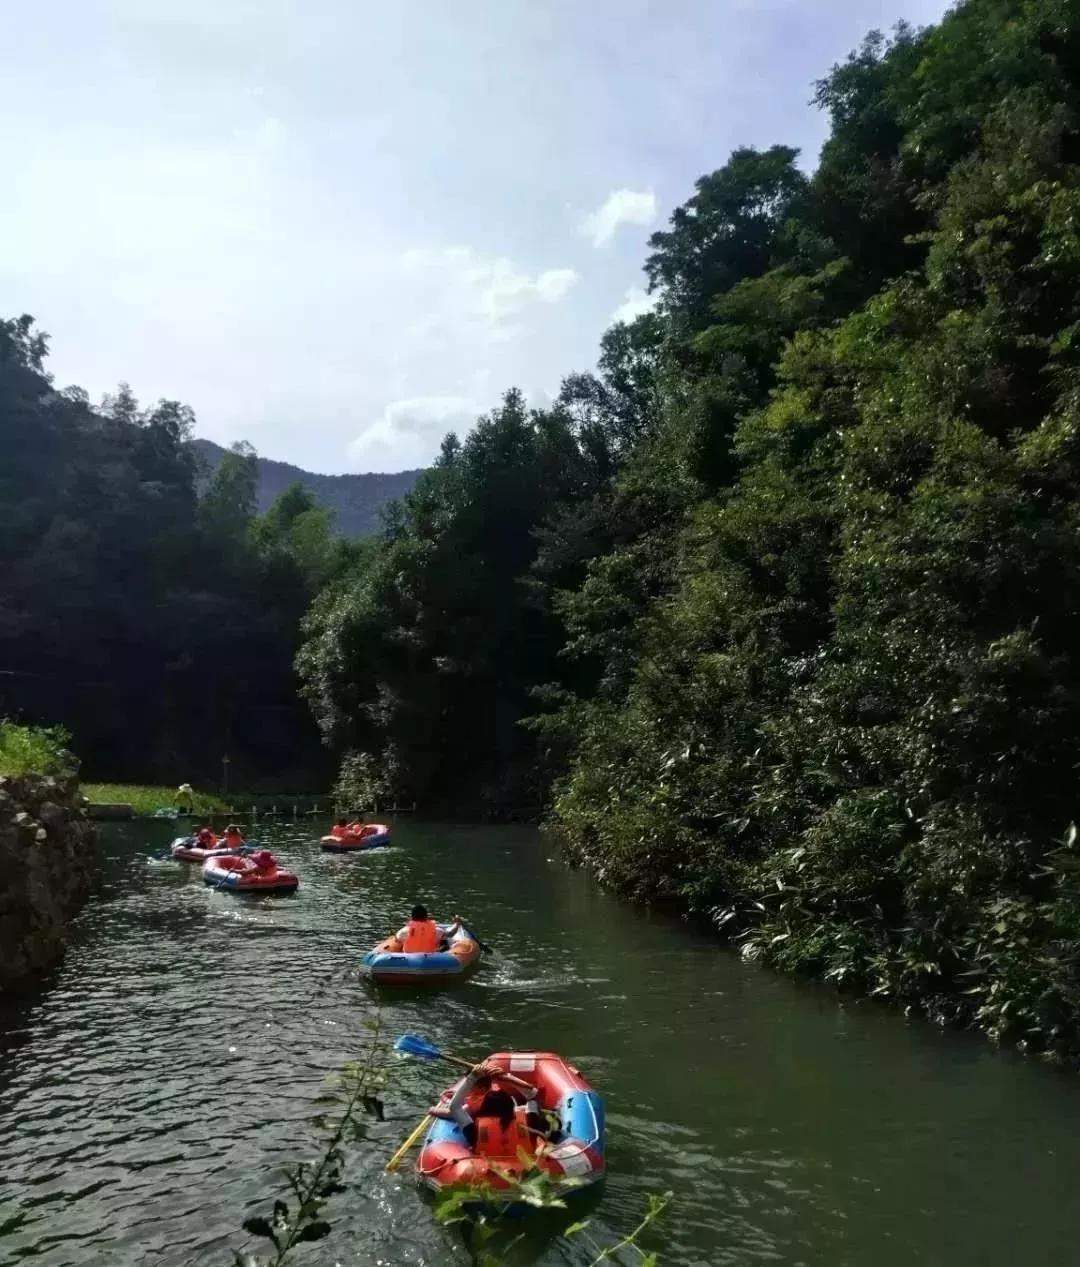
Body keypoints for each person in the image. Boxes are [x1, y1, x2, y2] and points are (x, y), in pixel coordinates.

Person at [432, 1058, 551, 1159]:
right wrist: (507, 1077)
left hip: (484, 1169)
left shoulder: (473, 1133)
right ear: (511, 1107)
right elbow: (532, 1096)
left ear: (484, 1108)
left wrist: (472, 1077)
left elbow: (454, 1107)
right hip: (524, 1167)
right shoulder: (530, 1124)